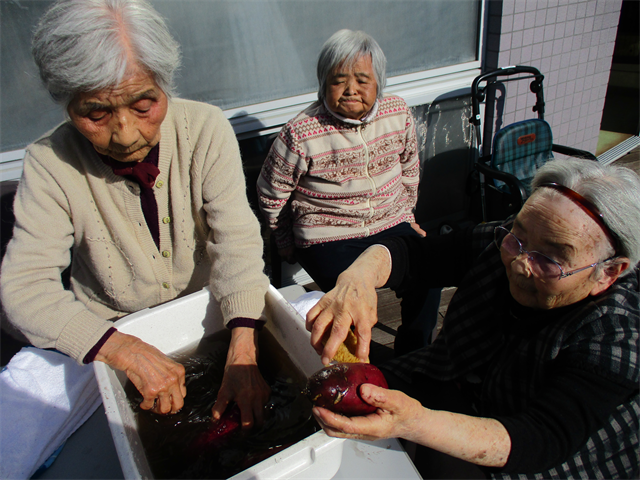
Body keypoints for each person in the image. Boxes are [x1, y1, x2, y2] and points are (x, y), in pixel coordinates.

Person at [0, 0, 270, 429]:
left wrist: (242, 349)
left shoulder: (205, 128)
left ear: (164, 85)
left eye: (143, 105)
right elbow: (25, 290)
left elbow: (235, 240)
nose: (125, 133)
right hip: (113, 330)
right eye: (96, 112)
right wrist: (123, 350)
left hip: (207, 313)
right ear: (67, 105)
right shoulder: (49, 163)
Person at [306, 158, 640, 479]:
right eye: (518, 236)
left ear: (609, 272)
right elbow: (415, 254)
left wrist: (414, 423)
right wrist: (359, 277)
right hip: (452, 377)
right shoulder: (504, 242)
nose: (521, 262)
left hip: (527, 451)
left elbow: (542, 437)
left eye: (550, 258)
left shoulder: (618, 334)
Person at [257, 29, 440, 357]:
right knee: (347, 302)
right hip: (329, 236)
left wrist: (407, 217)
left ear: (378, 83)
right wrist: (284, 243)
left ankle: (415, 354)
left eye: (362, 79)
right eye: (339, 80)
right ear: (323, 83)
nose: (351, 89)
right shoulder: (300, 133)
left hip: (391, 221)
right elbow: (272, 194)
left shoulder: (397, 113)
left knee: (429, 269)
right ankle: (361, 365)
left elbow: (410, 168)